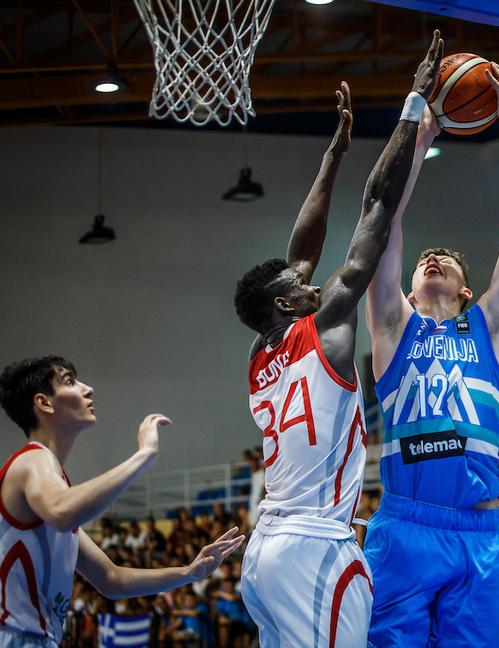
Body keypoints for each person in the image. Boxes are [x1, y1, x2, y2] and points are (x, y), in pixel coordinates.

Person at [233, 32, 444, 647]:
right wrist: (412, 102)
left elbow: (300, 252)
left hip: (266, 550)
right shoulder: (325, 327)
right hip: (314, 547)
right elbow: (377, 206)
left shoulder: (259, 353)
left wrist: (332, 157)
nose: (310, 277)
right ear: (287, 303)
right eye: (298, 283)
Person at [362, 58, 499, 646]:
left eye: (446, 260)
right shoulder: (391, 325)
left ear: (468, 290)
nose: (431, 258)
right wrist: (419, 135)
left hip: (480, 532)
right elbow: (384, 218)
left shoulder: (490, 328)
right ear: (409, 288)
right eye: (422, 260)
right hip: (405, 526)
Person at [0, 356, 243, 648]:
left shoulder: (54, 488)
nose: (87, 388)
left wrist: (190, 572)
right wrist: (144, 455)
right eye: (70, 381)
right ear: (45, 403)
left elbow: (111, 578)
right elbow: (62, 512)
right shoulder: (32, 461)